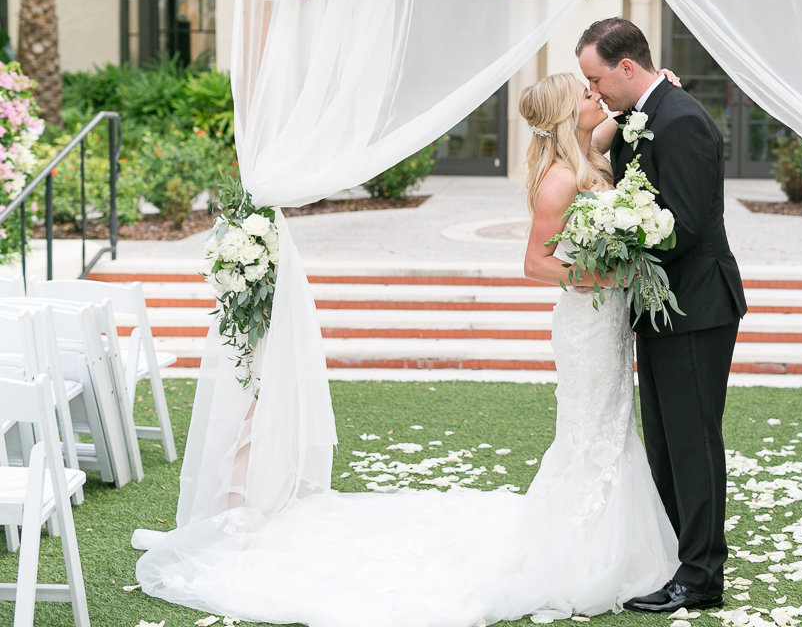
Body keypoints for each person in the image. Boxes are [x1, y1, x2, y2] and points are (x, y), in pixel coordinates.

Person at [131, 72, 678, 627]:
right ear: (566, 114)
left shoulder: (591, 154)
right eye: (586, 95)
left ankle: (607, 537)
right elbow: (535, 263)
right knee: (591, 431)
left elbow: (615, 124)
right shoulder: (561, 178)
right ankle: (584, 550)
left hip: (605, 323)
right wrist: (605, 275)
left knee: (612, 423)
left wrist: (657, 94)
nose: (598, 98)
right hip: (586, 320)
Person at [577, 17, 747, 613]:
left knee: (693, 443)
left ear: (628, 67)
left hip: (695, 306)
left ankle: (702, 577)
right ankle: (675, 555)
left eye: (597, 80)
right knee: (665, 444)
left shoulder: (682, 121)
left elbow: (686, 223)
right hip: (658, 305)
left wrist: (618, 249)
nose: (594, 93)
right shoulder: (641, 114)